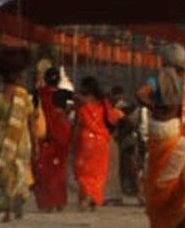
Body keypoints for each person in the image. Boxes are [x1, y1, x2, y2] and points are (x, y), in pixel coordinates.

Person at [137, 43, 185, 228]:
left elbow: (140, 94)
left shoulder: (157, 79)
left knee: (160, 185)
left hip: (162, 133)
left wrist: (154, 107)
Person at [0, 46, 33, 222]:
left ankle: (8, 210)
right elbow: (31, 121)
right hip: (21, 142)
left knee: (3, 176)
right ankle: (19, 198)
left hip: (1, 143)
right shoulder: (25, 97)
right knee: (20, 173)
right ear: (18, 75)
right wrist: (37, 144)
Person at [72, 76, 121, 210]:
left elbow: (77, 123)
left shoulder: (80, 103)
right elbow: (113, 120)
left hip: (86, 140)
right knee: (98, 172)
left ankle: (84, 198)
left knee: (83, 171)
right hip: (102, 141)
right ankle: (94, 198)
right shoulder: (104, 103)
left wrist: (73, 142)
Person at [33, 68, 73, 212]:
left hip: (44, 134)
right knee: (59, 170)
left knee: (44, 170)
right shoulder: (63, 94)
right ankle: (59, 202)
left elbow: (34, 112)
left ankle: (46, 203)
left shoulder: (39, 93)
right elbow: (76, 102)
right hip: (61, 134)